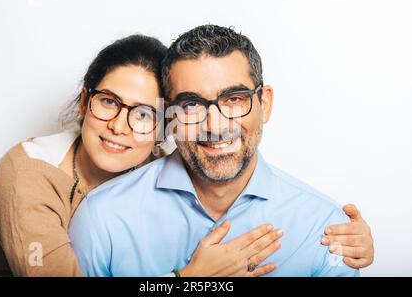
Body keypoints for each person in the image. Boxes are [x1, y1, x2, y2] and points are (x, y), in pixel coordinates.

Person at [68, 25, 374, 276]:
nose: (214, 125)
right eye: (190, 105)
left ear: (264, 103)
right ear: (168, 116)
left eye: (234, 99)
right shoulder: (102, 219)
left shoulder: (324, 228)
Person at [0, 35, 283, 277]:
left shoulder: (161, 172)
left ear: (166, 125)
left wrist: (331, 230)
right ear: (83, 102)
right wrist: (188, 279)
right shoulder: (27, 176)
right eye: (108, 102)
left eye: (144, 114)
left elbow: (232, 184)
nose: (119, 126)